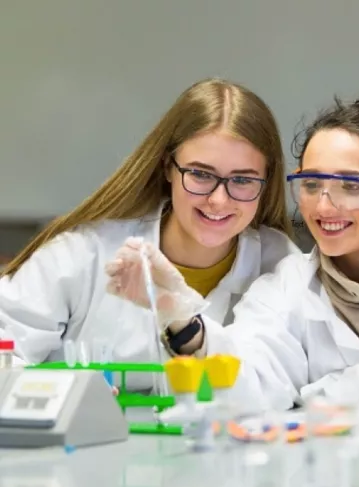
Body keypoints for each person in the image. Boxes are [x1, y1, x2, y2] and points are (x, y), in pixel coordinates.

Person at [107, 90, 359, 411]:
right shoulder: (285, 285)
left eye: (352, 187)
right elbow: (246, 384)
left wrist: (319, 390)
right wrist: (181, 319)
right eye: (311, 184)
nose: (324, 207)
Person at [0, 78, 300, 386]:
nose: (218, 200)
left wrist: (181, 318)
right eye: (199, 174)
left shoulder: (281, 266)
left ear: (267, 180)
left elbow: (269, 384)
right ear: (168, 167)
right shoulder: (85, 251)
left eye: (242, 180)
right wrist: (68, 399)